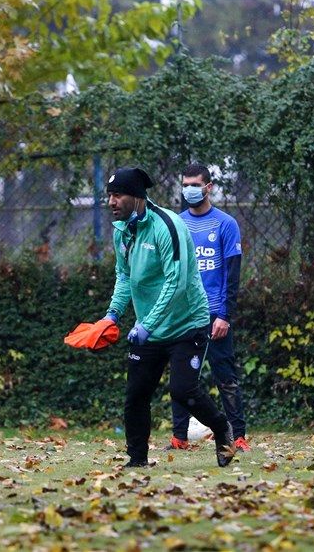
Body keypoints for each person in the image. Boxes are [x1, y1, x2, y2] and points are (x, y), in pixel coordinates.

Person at [102, 166, 235, 468]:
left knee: (182, 390)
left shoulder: (168, 226)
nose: (111, 201)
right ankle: (137, 460)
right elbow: (124, 276)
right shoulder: (121, 229)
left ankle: (221, 428)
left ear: (136, 196)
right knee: (136, 394)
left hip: (186, 323)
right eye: (109, 195)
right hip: (149, 328)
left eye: (117, 195)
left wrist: (147, 323)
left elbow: (176, 282)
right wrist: (112, 315)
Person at [167, 163, 249, 452]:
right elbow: (171, 271)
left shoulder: (225, 224)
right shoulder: (177, 224)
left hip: (215, 313)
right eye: (185, 184)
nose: (189, 189)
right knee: (181, 377)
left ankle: (238, 436)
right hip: (185, 314)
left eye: (194, 184)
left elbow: (232, 273)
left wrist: (225, 315)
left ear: (208, 187)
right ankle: (179, 438)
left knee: (225, 375)